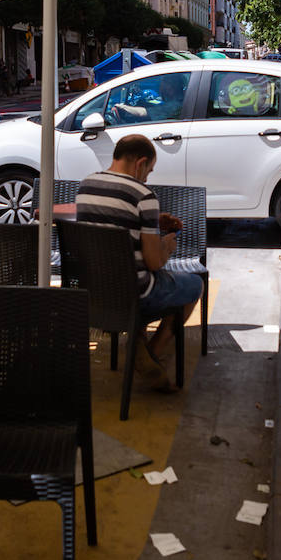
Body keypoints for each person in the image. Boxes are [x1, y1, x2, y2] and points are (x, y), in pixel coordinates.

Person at [76, 134, 203, 390]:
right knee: (194, 285)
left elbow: (112, 223)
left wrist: (153, 222)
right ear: (140, 163)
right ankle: (150, 352)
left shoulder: (86, 186)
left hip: (94, 294)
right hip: (137, 294)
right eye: (149, 171)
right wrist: (166, 243)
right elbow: (154, 263)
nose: (147, 178)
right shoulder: (143, 195)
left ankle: (140, 342)